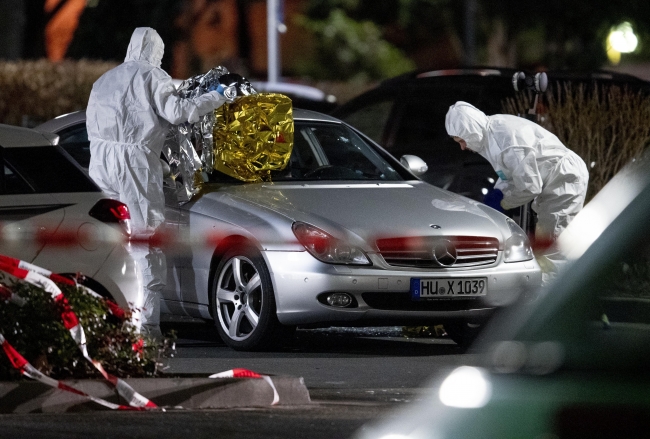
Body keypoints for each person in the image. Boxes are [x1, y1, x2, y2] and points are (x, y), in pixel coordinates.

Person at [86, 27, 235, 340]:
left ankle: (107, 319)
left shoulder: (104, 80)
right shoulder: (153, 77)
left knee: (110, 242)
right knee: (147, 241)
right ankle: (147, 329)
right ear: (157, 52)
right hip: (136, 165)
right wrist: (217, 96)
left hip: (99, 163)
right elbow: (181, 113)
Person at [445, 101, 589, 283]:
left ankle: (552, 303)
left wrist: (503, 202)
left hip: (565, 180)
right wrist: (496, 194)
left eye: (462, 140)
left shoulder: (506, 142)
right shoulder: (491, 134)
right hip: (555, 179)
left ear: (470, 131)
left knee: (553, 246)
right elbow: (510, 174)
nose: (463, 147)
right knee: (547, 240)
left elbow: (529, 186)